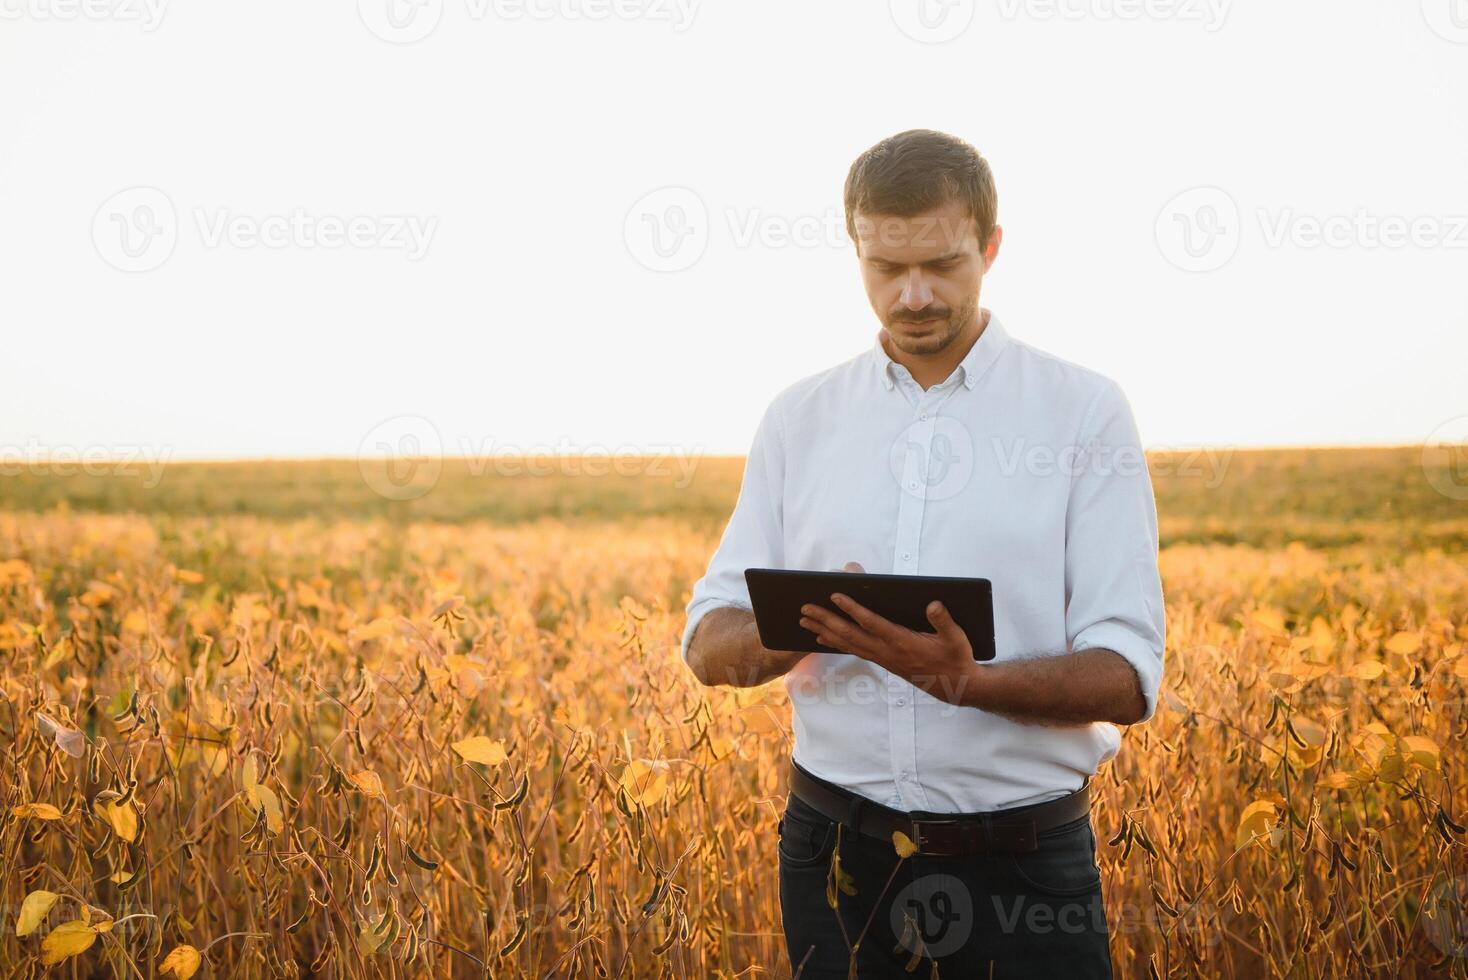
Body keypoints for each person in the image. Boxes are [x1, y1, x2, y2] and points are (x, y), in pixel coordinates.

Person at [680, 128, 1166, 978]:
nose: (912, 296)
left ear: (991, 247)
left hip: (1024, 867)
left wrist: (970, 685)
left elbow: (1127, 677)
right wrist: (816, 626)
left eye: (942, 264)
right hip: (832, 857)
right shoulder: (799, 419)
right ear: (856, 250)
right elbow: (706, 645)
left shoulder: (1082, 413)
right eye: (885, 268)